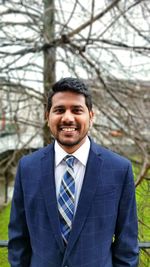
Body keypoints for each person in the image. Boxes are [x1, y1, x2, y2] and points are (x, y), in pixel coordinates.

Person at [8, 77, 139, 267]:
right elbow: (18, 240)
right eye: (59, 110)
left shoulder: (119, 169)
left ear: (91, 116)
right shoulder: (27, 168)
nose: (68, 118)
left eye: (77, 110)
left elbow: (127, 246)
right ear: (47, 116)